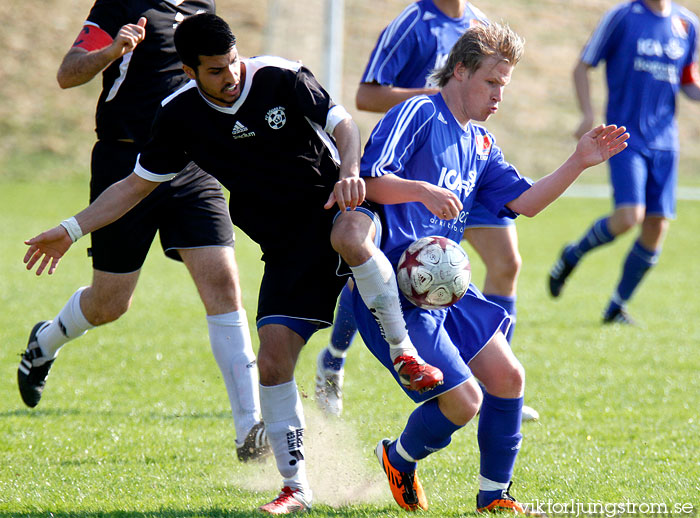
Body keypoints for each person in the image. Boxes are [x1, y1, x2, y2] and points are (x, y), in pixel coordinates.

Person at [22, 13, 445, 514]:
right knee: (271, 363)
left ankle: (403, 351)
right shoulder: (178, 115)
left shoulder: (279, 76)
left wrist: (350, 173)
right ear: (189, 71)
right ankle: (297, 488)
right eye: (216, 71)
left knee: (350, 236)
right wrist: (71, 229)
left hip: (339, 209)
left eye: (233, 62)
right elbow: (134, 187)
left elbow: (345, 124)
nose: (231, 76)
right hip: (286, 250)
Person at [349, 23, 628, 512]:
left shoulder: (480, 143)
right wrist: (422, 190)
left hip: (447, 286)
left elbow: (524, 202)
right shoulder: (418, 111)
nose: (499, 95)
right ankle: (399, 456)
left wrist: (578, 161)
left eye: (505, 85)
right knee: (464, 402)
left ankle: (494, 497)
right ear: (460, 70)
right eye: (492, 83)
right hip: (398, 289)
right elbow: (369, 180)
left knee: (508, 377)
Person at [15, 1, 271, 463]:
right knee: (110, 303)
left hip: (192, 164)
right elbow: (68, 73)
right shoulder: (122, 3)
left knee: (223, 284)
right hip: (124, 162)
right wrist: (113, 50)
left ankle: (250, 431)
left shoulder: (202, 5)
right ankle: (45, 341)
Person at [315, 0, 538, 423]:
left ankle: (496, 375)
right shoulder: (412, 22)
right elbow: (367, 94)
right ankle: (335, 356)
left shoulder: (484, 26)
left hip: (465, 163)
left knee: (507, 262)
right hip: (416, 159)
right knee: (389, 264)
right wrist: (437, 104)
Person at [548, 0, 700, 324]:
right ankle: (572, 254)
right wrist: (588, 113)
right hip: (625, 138)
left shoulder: (687, 24)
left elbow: (688, 81)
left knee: (656, 227)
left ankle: (616, 306)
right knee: (630, 216)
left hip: (666, 143)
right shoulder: (622, 17)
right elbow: (583, 65)